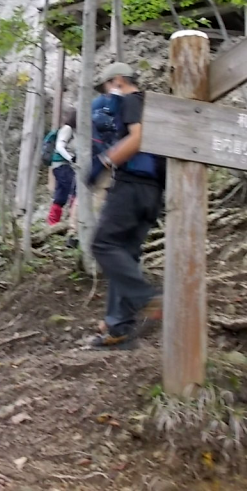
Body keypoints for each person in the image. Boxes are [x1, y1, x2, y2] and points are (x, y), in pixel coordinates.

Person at [84, 62, 165, 350]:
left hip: (131, 186)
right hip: (153, 194)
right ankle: (119, 327)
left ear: (118, 81)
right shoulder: (156, 107)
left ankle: (148, 299)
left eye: (107, 87)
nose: (106, 95)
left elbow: (137, 138)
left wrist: (104, 162)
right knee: (125, 256)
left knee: (103, 245)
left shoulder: (132, 100)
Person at [47, 108, 77, 225]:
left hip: (62, 166)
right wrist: (71, 158)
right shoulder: (67, 129)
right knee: (75, 188)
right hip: (62, 165)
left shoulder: (73, 131)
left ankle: (52, 223)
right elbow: (60, 146)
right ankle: (74, 220)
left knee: (61, 195)